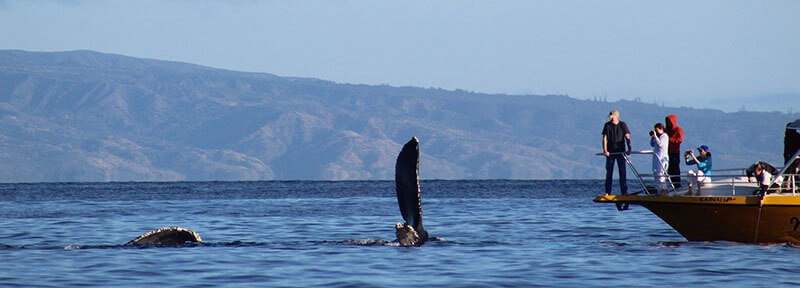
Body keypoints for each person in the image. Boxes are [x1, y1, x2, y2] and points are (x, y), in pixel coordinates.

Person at [602, 109, 632, 195]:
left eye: (612, 117)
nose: (611, 118)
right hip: (610, 152)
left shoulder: (623, 125)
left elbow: (627, 137)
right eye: (610, 117)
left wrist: (629, 149)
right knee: (609, 172)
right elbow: (604, 138)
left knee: (622, 172)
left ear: (616, 116)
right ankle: (607, 191)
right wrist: (605, 150)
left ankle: (624, 191)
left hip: (620, 151)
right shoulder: (607, 125)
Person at [650, 123, 670, 195]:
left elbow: (660, 144)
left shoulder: (664, 136)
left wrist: (655, 136)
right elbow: (652, 144)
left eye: (656, 130)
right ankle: (660, 190)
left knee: (661, 175)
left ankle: (664, 190)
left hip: (662, 159)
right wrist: (653, 137)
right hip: (656, 158)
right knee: (656, 175)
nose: (655, 131)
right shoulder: (657, 137)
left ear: (661, 129)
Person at [665, 115, 684, 189]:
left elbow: (679, 140)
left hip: (675, 152)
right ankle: (672, 185)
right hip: (667, 152)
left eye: (669, 121)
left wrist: (669, 139)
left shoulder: (678, 130)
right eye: (667, 121)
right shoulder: (666, 130)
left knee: (675, 169)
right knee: (669, 170)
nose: (668, 123)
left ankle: (677, 185)